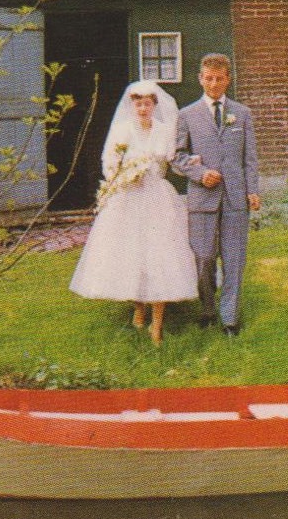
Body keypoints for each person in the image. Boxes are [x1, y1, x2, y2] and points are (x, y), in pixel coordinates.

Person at [69, 81, 198, 344]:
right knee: (134, 255)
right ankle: (139, 309)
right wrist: (126, 177)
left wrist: (193, 163)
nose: (142, 108)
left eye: (147, 104)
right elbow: (110, 166)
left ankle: (157, 325)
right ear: (132, 106)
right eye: (138, 104)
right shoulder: (121, 130)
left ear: (154, 105)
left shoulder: (164, 131)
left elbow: (173, 163)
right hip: (129, 197)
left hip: (157, 197)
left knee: (160, 254)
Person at [173, 53, 260, 336]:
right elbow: (176, 157)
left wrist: (252, 190)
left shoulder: (241, 113)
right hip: (202, 200)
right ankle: (208, 309)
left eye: (219, 79)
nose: (213, 84)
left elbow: (250, 158)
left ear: (228, 80)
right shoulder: (187, 115)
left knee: (234, 258)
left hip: (236, 199)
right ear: (200, 79)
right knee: (204, 258)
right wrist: (200, 174)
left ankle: (230, 318)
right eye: (208, 79)